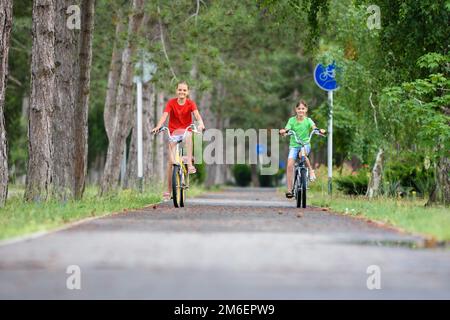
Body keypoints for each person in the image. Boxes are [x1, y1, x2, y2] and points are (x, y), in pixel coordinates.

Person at [152, 81, 205, 200]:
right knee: (170, 163)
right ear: (176, 91)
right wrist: (158, 126)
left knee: (189, 136)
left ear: (188, 92)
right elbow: (164, 116)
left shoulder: (191, 104)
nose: (182, 92)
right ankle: (168, 191)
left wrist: (201, 124)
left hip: (185, 131)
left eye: (184, 90)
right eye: (180, 90)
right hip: (173, 132)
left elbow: (197, 116)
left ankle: (190, 165)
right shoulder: (171, 103)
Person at [279, 100, 325, 199]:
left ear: (306, 109)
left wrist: (319, 131)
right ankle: (289, 190)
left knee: (302, 154)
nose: (301, 110)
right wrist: (284, 131)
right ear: (296, 110)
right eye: (299, 108)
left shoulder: (308, 120)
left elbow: (314, 127)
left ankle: (311, 171)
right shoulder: (292, 120)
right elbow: (287, 128)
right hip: (294, 146)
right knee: (290, 164)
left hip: (305, 145)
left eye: (303, 109)